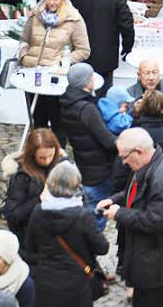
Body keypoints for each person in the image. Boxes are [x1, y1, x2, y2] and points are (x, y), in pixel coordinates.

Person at [98, 127, 163, 307]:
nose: (124, 163)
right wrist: (113, 199)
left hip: (158, 268)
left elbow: (156, 220)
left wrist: (119, 213)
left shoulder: (161, 177)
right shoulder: (148, 165)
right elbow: (133, 193)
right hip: (149, 263)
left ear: (139, 152)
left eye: (124, 157)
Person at [25, 160, 109, 307]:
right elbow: (102, 247)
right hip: (77, 285)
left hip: (46, 284)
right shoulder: (82, 216)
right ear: (75, 185)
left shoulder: (38, 211)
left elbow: (30, 247)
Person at [17, 0, 91, 138]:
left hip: (56, 78)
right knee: (38, 120)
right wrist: (24, 57)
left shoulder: (74, 19)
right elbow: (24, 40)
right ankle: (38, 155)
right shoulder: (35, 15)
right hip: (34, 75)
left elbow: (84, 50)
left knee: (58, 122)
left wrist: (62, 62)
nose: (51, 2)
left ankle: (58, 155)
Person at [59, 62, 115, 230]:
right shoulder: (88, 108)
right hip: (99, 170)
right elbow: (107, 141)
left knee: (88, 213)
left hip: (84, 165)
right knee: (96, 218)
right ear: (86, 82)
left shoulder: (67, 104)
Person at [68, 0, 134, 91]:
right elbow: (126, 24)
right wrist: (128, 47)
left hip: (78, 52)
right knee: (103, 95)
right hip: (105, 55)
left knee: (78, 91)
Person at [2, 128, 63, 250]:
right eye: (42, 157)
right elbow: (13, 216)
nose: (47, 161)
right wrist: (39, 200)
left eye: (50, 156)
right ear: (32, 154)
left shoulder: (62, 166)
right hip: (31, 242)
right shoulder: (21, 177)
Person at [127, 58, 163, 127]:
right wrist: (133, 112)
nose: (151, 78)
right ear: (139, 75)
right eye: (147, 73)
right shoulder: (129, 94)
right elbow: (121, 122)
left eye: (154, 72)